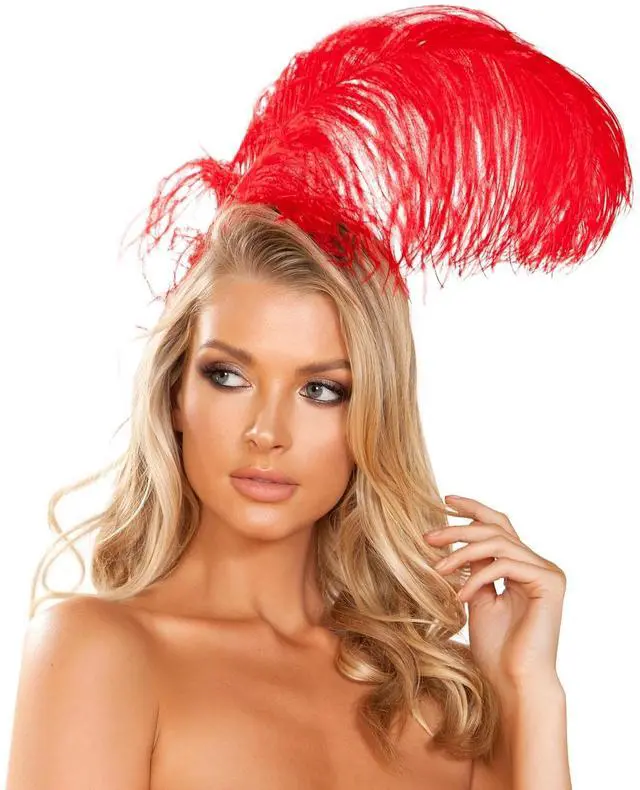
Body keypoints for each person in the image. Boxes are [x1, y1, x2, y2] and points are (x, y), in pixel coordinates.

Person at [6, 6, 631, 790]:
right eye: (228, 376)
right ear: (173, 396)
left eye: (321, 390)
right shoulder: (102, 651)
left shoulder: (438, 699)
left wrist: (526, 689)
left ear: (372, 418)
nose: (267, 431)